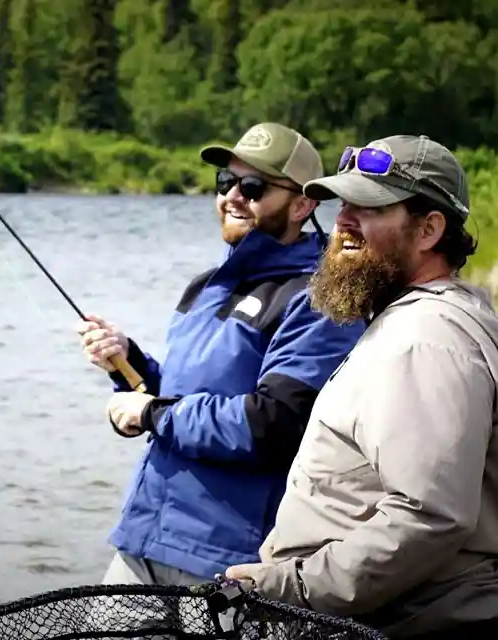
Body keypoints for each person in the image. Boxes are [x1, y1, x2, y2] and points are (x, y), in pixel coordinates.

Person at [224, 134, 498, 639]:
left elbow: (429, 516)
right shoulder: (415, 323)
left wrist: (291, 587)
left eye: (370, 207)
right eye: (344, 204)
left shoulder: (423, 340)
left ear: (429, 229)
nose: (343, 221)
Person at [75, 122, 366, 593]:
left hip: (228, 564)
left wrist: (150, 413)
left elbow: (271, 424)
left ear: (303, 205)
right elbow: (181, 398)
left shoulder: (321, 300)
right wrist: (129, 365)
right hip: (143, 542)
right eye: (225, 182)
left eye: (252, 187)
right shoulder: (207, 285)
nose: (233, 196)